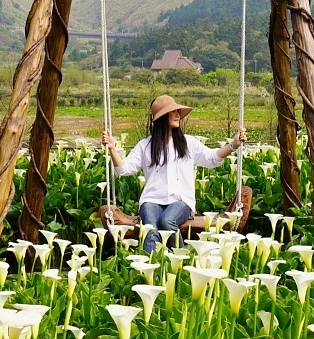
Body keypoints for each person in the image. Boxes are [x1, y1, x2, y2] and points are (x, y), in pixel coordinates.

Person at [103, 94, 246, 253]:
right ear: (163, 117)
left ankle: (180, 263)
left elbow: (211, 158)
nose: (178, 115)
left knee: (166, 221)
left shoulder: (187, 143)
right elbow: (123, 169)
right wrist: (112, 149)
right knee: (150, 230)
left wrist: (233, 145)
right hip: (151, 200)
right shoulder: (145, 146)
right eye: (174, 112)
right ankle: (151, 270)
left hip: (181, 200)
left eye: (178, 111)